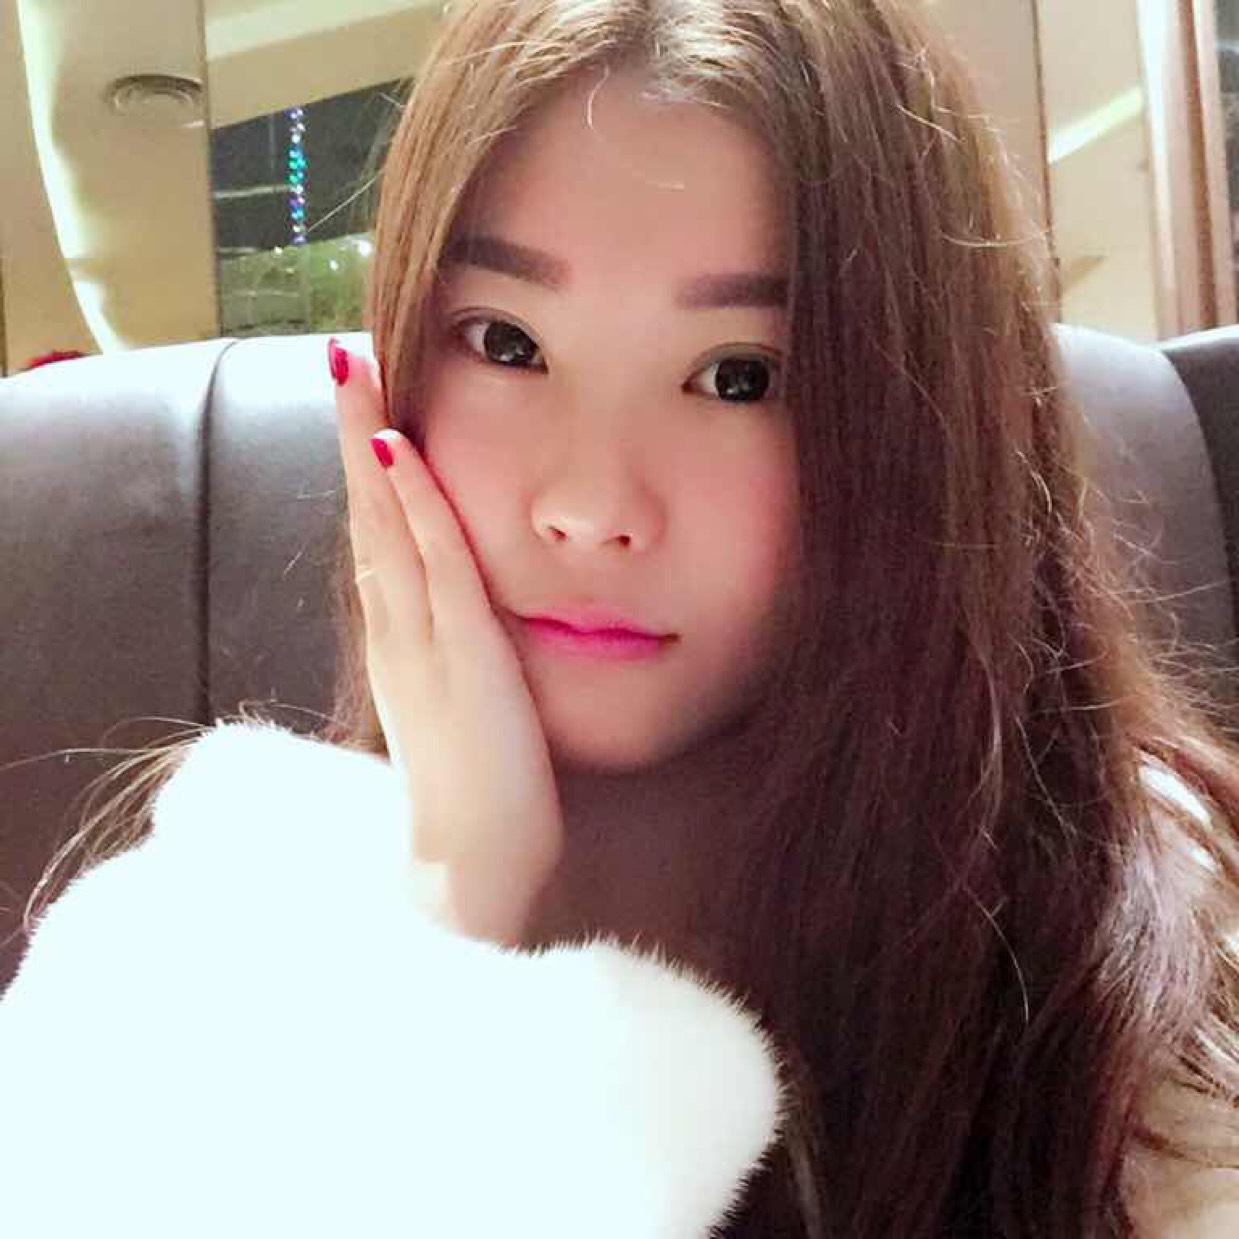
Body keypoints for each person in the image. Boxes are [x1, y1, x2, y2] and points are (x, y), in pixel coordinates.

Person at [3, 1, 1238, 1234]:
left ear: (930, 432)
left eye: (741, 377)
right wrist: (446, 906)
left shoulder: (1135, 958)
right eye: (506, 342)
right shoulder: (202, 941)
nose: (592, 508)